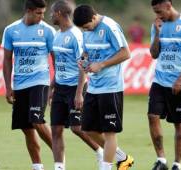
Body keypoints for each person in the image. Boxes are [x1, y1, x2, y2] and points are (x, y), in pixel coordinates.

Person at [73, 5, 134, 170]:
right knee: (88, 129)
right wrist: (83, 59)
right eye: (83, 29)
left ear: (94, 17)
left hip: (111, 87)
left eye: (87, 26)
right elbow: (86, 52)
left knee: (109, 132)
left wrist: (102, 64)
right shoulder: (86, 31)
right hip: (93, 87)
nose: (86, 30)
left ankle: (106, 167)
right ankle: (123, 158)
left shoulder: (109, 27)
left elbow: (126, 53)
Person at [49, 1, 104, 170]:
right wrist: (52, 86)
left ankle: (101, 151)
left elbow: (83, 63)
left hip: (75, 88)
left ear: (59, 13)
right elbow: (59, 63)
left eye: (52, 12)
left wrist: (79, 92)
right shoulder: (57, 35)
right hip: (60, 88)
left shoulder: (76, 35)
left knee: (77, 128)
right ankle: (59, 167)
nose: (50, 15)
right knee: (56, 129)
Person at [1, 0, 54, 170]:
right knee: (26, 127)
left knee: (36, 120)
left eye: (43, 13)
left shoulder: (48, 31)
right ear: (29, 11)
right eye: (39, 13)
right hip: (19, 84)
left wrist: (56, 83)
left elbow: (56, 57)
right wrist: (8, 87)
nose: (42, 16)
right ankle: (37, 166)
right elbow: (7, 59)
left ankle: (59, 157)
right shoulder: (11, 30)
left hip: (40, 81)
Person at [148, 0, 181, 169]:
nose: (157, 15)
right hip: (160, 81)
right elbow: (154, 54)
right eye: (155, 12)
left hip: (179, 83)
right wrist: (156, 33)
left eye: (159, 11)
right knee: (152, 116)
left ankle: (177, 164)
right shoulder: (157, 25)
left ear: (168, 5)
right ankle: (161, 160)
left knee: (179, 125)